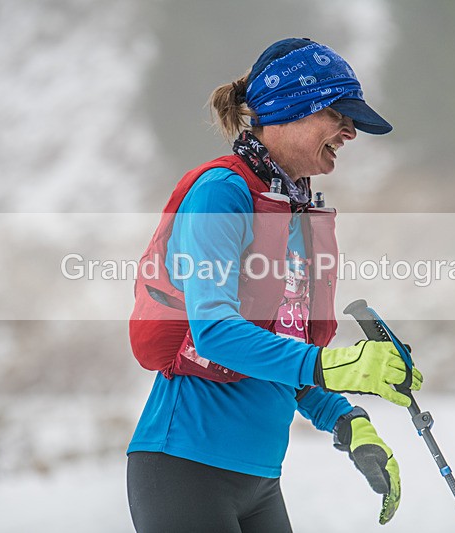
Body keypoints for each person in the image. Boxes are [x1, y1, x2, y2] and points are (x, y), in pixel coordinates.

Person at [126, 37, 423, 533]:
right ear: (292, 108)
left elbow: (279, 351)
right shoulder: (222, 194)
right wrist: (334, 365)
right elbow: (214, 332)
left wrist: (345, 420)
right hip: (184, 469)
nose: (350, 131)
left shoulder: (293, 212)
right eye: (340, 115)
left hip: (259, 481)